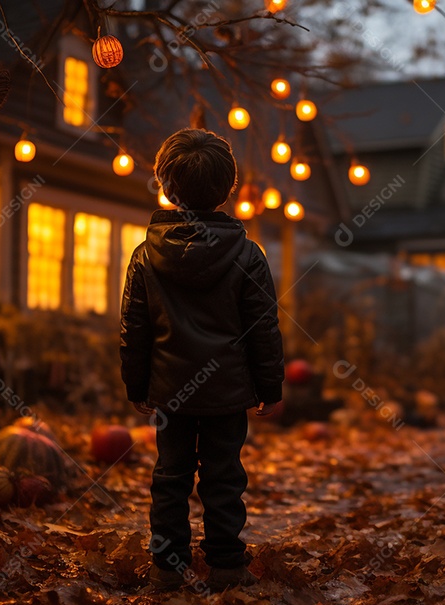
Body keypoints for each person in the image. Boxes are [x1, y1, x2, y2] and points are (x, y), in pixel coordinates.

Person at [120, 128, 285, 592]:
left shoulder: (145, 256)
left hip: (170, 391)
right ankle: (228, 565)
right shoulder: (248, 255)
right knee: (224, 476)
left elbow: (134, 328)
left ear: (165, 186)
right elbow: (263, 329)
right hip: (227, 392)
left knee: (169, 476)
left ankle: (167, 567)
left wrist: (136, 385)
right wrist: (270, 388)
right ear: (228, 187)